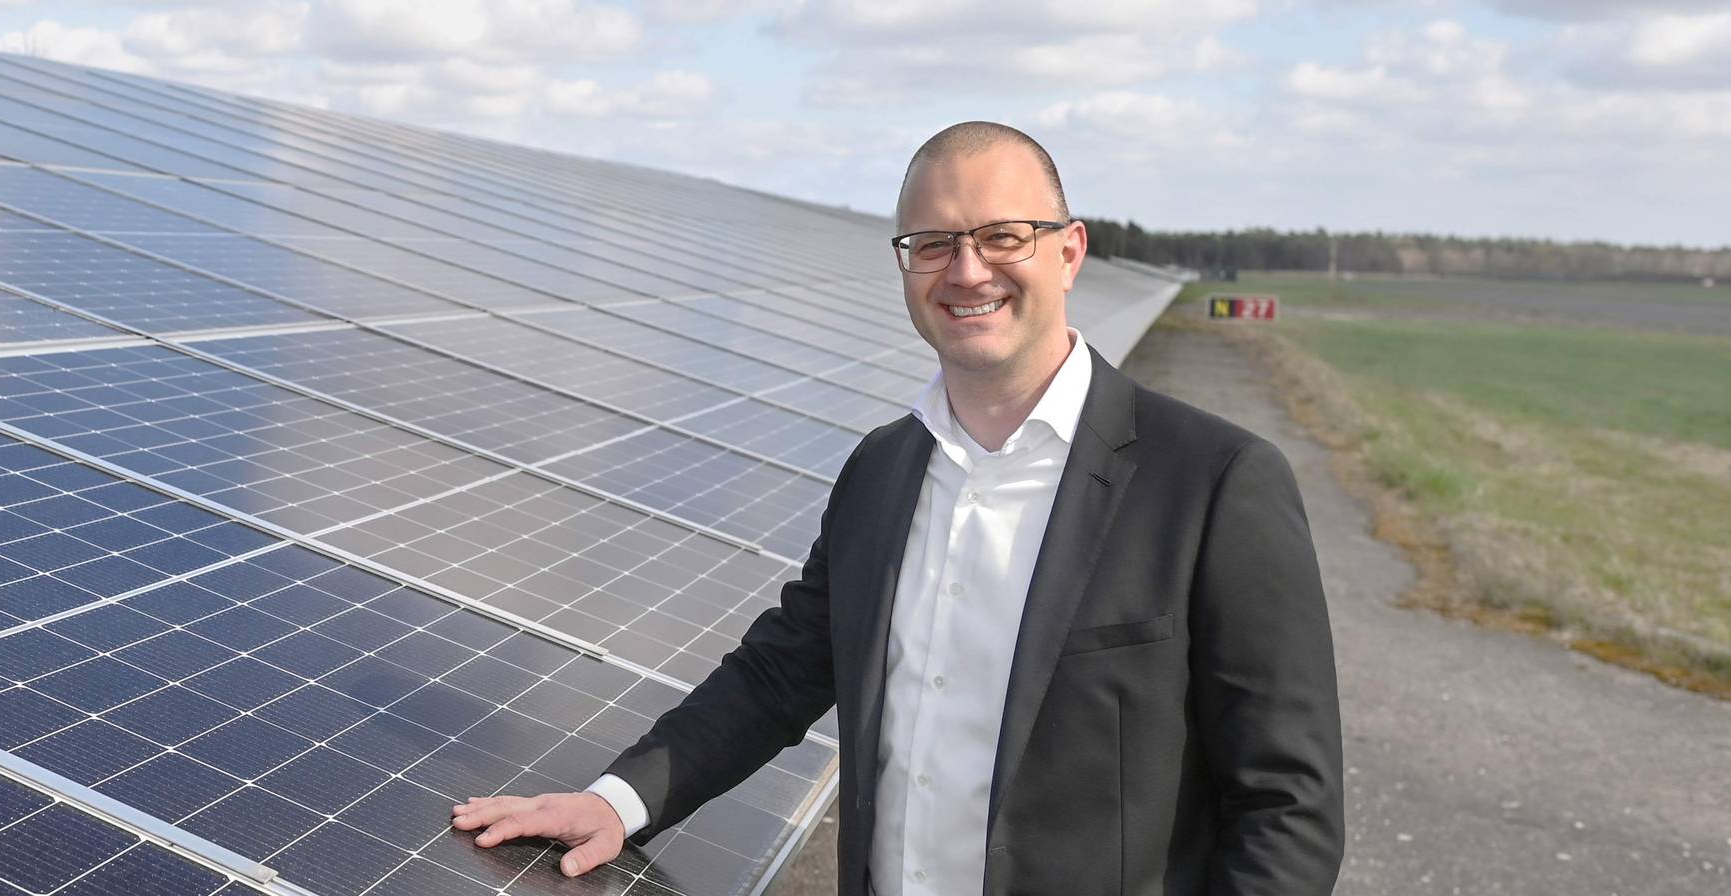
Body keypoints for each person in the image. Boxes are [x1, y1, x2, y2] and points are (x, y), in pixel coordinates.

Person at [450, 122, 1342, 895]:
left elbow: (1288, 808)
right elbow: (782, 673)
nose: (966, 270)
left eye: (1003, 236)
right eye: (932, 244)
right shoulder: (883, 469)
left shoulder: (1215, 482)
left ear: (1069, 252)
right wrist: (618, 802)